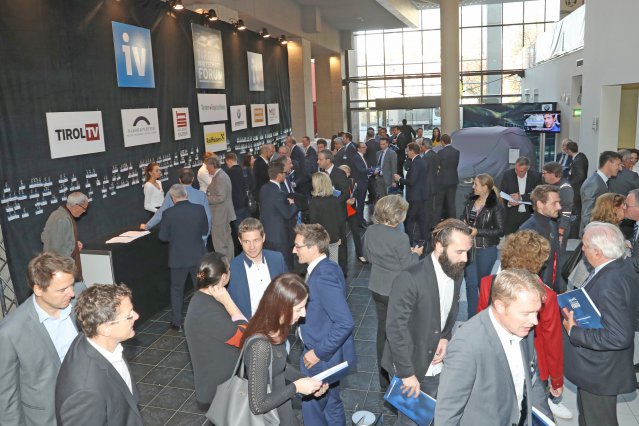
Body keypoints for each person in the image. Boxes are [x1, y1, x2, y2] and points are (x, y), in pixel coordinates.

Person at [435, 269, 553, 425]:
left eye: (536, 313)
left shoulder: (524, 328)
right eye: (526, 313)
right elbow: (446, 415)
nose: (535, 321)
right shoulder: (467, 345)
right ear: (500, 306)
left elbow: (533, 384)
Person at [384, 219, 472, 426]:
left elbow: (448, 311)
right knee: (409, 421)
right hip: (409, 364)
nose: (465, 259)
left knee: (428, 416)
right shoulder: (410, 278)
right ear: (440, 247)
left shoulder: (456, 271)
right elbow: (395, 329)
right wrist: (406, 374)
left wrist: (445, 337)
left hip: (435, 363)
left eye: (467, 252)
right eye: (459, 252)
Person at [477, 231, 570, 420]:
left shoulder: (488, 284)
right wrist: (556, 379)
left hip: (494, 363)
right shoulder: (546, 296)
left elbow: (480, 326)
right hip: (531, 368)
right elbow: (552, 342)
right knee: (537, 417)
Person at [562, 222, 639, 425]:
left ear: (598, 252)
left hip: (599, 371)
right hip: (601, 367)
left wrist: (574, 331)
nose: (582, 249)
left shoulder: (609, 283)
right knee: (588, 418)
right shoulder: (622, 266)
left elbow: (619, 336)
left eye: (585, 245)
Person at [0, 253, 77, 426]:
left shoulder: (80, 301)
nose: (71, 293)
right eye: (62, 289)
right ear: (38, 289)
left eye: (71, 285)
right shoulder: (10, 332)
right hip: (48, 418)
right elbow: (6, 396)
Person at [242, 273, 327, 425]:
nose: (304, 314)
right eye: (299, 309)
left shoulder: (278, 328)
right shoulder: (260, 346)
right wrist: (297, 387)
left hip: (282, 408)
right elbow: (257, 405)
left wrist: (308, 382)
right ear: (282, 307)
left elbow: (279, 365)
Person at [293, 223, 356, 426]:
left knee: (312, 412)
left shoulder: (322, 277)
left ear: (313, 248)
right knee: (332, 403)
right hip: (330, 354)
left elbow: (345, 322)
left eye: (298, 246)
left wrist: (318, 353)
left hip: (319, 356)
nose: (293, 250)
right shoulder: (329, 266)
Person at [55, 284, 142, 425]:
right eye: (129, 315)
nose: (136, 316)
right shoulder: (85, 392)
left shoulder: (97, 340)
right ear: (105, 328)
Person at [363, 195, 423, 388]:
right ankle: (400, 373)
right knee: (399, 333)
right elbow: (408, 266)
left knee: (382, 332)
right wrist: (416, 255)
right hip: (396, 291)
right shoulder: (400, 238)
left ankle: (383, 378)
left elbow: (367, 256)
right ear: (397, 215)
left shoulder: (370, 231)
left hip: (377, 287)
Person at [184, 252, 248, 411]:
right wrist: (228, 302)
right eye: (229, 269)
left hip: (222, 387)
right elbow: (246, 337)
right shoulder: (207, 310)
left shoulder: (202, 298)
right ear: (224, 277)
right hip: (219, 391)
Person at [158, 184, 208, 330]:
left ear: (173, 198)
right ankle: (202, 319)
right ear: (186, 194)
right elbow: (205, 230)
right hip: (198, 258)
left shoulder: (168, 213)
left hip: (178, 259)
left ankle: (177, 322)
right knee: (201, 288)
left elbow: (162, 237)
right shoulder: (199, 209)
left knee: (177, 290)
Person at [460, 173, 505, 318]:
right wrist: (463, 223)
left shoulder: (495, 206)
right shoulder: (470, 202)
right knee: (470, 283)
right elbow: (463, 217)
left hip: (486, 250)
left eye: (476, 184)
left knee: (482, 284)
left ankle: (484, 317)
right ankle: (471, 318)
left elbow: (500, 230)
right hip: (469, 248)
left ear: (485, 187)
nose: (473, 186)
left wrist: (478, 231)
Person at [228, 218, 288, 319]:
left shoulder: (277, 259)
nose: (252, 247)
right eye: (247, 242)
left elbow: (288, 290)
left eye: (256, 240)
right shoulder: (231, 268)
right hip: (249, 325)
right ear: (240, 241)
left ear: (263, 238)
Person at [142, 168, 211, 242]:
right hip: (198, 238)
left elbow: (161, 212)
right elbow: (208, 217)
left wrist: (147, 225)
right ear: (193, 179)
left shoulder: (171, 193)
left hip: (178, 239)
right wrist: (204, 237)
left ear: (179, 180)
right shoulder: (201, 195)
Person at [519, 184, 562, 292]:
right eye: (554, 203)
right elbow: (523, 269)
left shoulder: (552, 225)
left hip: (551, 290)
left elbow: (555, 261)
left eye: (559, 202)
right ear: (540, 204)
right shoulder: (527, 231)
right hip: (535, 291)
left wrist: (558, 287)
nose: (559, 207)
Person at [41, 191, 89, 282]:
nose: (84, 212)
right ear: (76, 206)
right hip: (61, 269)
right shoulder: (62, 219)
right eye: (84, 208)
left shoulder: (60, 214)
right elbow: (55, 249)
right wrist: (67, 270)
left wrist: (73, 243)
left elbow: (44, 237)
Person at [260, 161, 298, 269]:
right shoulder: (278, 193)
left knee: (272, 267)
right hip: (280, 238)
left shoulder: (264, 188)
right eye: (284, 173)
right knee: (285, 267)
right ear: (279, 175)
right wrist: (292, 204)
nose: (285, 175)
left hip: (266, 235)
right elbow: (287, 214)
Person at [317, 149, 350, 275]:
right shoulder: (320, 173)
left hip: (337, 215)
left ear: (328, 160)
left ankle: (342, 270)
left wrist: (332, 204)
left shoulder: (339, 173)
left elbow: (345, 194)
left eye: (320, 159)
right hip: (324, 215)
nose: (318, 161)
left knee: (340, 242)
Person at [394, 142, 429, 245]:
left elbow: (411, 182)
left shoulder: (415, 163)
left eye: (408, 151)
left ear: (412, 151)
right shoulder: (422, 161)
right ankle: (424, 240)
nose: (407, 153)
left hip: (415, 197)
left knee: (409, 220)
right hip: (421, 196)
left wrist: (399, 179)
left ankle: (408, 242)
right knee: (422, 220)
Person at [580, 150, 622, 235]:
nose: (620, 168)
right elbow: (587, 215)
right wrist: (597, 234)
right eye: (618, 164)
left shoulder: (603, 181)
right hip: (594, 235)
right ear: (608, 163)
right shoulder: (593, 183)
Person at [500, 156, 542, 234]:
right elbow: (503, 192)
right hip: (512, 215)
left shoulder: (536, 176)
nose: (517, 173)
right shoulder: (508, 174)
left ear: (527, 169)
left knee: (528, 239)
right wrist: (509, 202)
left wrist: (521, 197)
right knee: (510, 239)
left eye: (521, 171)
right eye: (516, 169)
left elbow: (539, 194)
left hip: (528, 215)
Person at [206, 155, 237, 259]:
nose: (206, 169)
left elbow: (221, 197)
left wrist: (206, 198)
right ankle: (230, 264)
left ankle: (224, 266)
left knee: (220, 244)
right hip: (223, 215)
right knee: (227, 241)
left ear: (212, 165)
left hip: (220, 216)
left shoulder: (220, 177)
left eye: (207, 166)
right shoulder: (221, 175)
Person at [309, 172, 342, 263]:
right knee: (334, 263)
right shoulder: (335, 199)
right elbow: (340, 220)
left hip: (320, 239)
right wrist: (339, 236)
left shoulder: (313, 202)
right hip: (334, 237)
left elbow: (313, 223)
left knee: (320, 263)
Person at [542, 162, 574, 251]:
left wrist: (561, 229)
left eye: (545, 173)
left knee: (558, 253)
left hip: (559, 225)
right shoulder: (550, 185)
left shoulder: (565, 187)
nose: (543, 175)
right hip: (551, 223)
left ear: (553, 173)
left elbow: (567, 210)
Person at [339, 165, 366, 263]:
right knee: (342, 236)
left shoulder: (352, 181)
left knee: (356, 233)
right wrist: (345, 201)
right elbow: (334, 197)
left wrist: (354, 198)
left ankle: (360, 255)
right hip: (341, 212)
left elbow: (354, 193)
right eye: (343, 172)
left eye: (347, 172)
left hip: (352, 212)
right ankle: (343, 257)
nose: (346, 174)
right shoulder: (335, 183)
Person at [434, 133, 460, 222]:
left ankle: (437, 223)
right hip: (453, 179)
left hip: (442, 180)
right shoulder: (457, 152)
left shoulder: (440, 152)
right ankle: (453, 223)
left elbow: (437, 165)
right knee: (451, 203)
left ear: (442, 142)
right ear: (450, 141)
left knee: (439, 203)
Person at [566, 140, 588, 236]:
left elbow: (580, 176)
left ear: (568, 150)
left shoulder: (578, 160)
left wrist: (569, 184)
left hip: (576, 191)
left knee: (575, 213)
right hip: (577, 190)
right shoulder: (580, 157)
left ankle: (574, 234)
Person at [224, 152, 251, 227]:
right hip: (246, 202)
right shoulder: (245, 170)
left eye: (227, 163)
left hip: (236, 205)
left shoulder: (228, 173)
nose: (227, 165)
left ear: (229, 161)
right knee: (249, 226)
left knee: (240, 228)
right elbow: (251, 184)